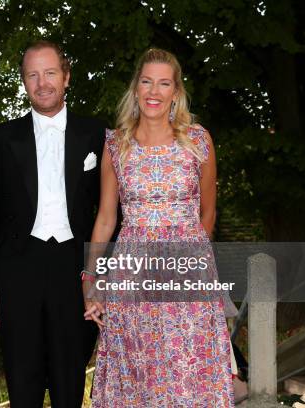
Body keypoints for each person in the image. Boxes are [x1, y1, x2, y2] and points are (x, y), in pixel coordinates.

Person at [83, 48, 235, 407]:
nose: (154, 91)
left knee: (189, 370)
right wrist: (90, 280)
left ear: (176, 91)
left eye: (164, 83)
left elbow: (208, 215)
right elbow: (106, 218)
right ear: (136, 89)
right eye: (147, 81)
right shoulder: (116, 145)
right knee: (141, 372)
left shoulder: (198, 141)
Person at [0, 40, 105, 407]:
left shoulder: (96, 134)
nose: (42, 82)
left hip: (76, 270)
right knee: (23, 379)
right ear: (23, 82)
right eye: (33, 75)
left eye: (50, 73)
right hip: (18, 270)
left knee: (70, 380)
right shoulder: (1, 138)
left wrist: (106, 272)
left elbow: (110, 212)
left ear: (66, 77)